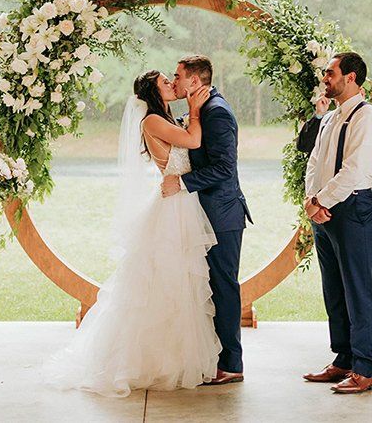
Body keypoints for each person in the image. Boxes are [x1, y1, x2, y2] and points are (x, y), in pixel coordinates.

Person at [46, 71, 221, 397]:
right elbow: (193, 142)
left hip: (181, 199)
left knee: (179, 280)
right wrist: (195, 111)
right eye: (165, 83)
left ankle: (176, 358)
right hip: (172, 205)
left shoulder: (164, 116)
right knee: (164, 279)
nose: (172, 84)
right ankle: (146, 362)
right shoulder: (152, 121)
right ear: (153, 92)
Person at [161, 55, 252, 385]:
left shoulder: (217, 113)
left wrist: (182, 183)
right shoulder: (202, 110)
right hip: (203, 215)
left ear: (195, 82)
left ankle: (231, 365)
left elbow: (225, 168)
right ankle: (212, 358)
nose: (174, 80)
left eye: (178, 76)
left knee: (224, 288)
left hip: (222, 214)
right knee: (209, 287)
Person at [302, 52, 372, 394]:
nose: (325, 77)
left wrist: (322, 200)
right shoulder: (331, 117)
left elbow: (355, 170)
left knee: (358, 290)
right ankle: (343, 359)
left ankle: (365, 370)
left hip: (355, 210)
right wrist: (312, 201)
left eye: (330, 72)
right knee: (334, 289)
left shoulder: (368, 119)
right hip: (324, 209)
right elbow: (315, 162)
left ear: (351, 77)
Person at [297, 89, 372, 211]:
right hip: (323, 200)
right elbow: (304, 146)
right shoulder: (327, 119)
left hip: (363, 202)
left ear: (362, 93)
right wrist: (319, 115)